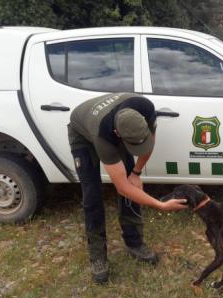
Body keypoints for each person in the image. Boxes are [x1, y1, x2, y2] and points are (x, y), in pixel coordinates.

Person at [67, 93, 187, 284]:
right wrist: (161, 205)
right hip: (83, 132)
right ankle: (98, 256)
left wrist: (136, 173)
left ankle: (134, 242)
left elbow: (149, 145)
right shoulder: (104, 136)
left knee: (132, 181)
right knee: (92, 194)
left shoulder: (145, 108)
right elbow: (122, 188)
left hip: (111, 123)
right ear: (118, 135)